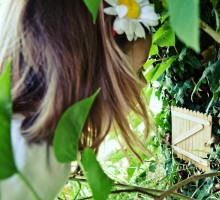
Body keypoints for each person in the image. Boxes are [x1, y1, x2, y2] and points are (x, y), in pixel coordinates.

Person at [0, 0, 159, 199]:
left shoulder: (25, 140)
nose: (143, 83)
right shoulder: (36, 159)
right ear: (90, 70)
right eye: (138, 70)